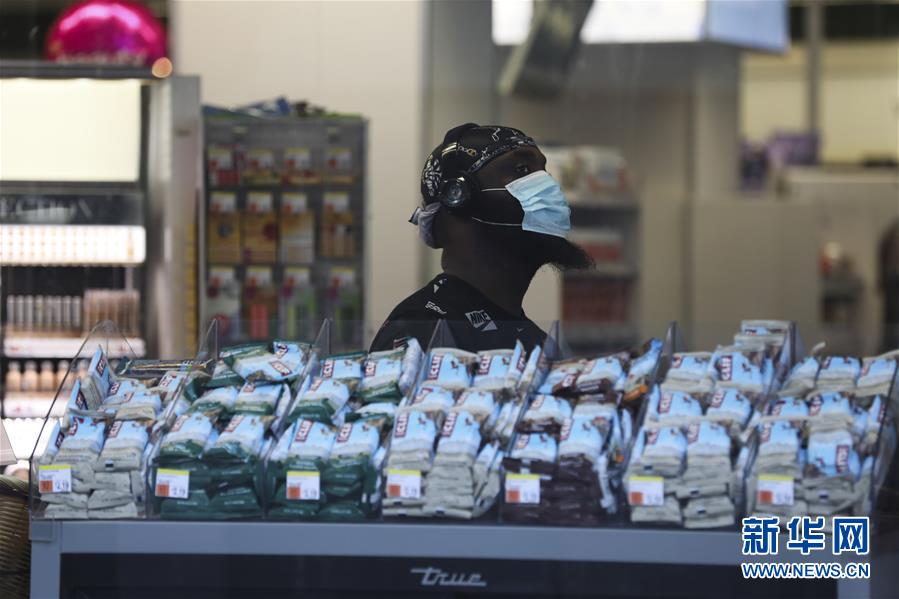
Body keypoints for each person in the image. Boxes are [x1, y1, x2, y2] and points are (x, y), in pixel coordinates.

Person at [370, 123, 593, 353]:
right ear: (457, 198)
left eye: (544, 172)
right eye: (523, 169)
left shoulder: (537, 341)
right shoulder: (424, 330)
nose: (547, 186)